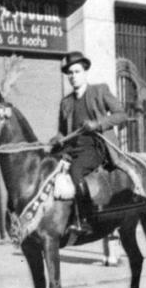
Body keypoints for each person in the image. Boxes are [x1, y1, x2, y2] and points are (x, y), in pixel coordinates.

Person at [50, 51, 128, 234]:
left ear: (85, 72)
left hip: (95, 147)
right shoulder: (66, 102)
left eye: (77, 72)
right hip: (71, 148)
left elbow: (121, 114)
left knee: (76, 170)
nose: (73, 77)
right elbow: (62, 131)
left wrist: (98, 124)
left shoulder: (99, 91)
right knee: (47, 166)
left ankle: (83, 218)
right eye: (70, 73)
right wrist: (57, 139)